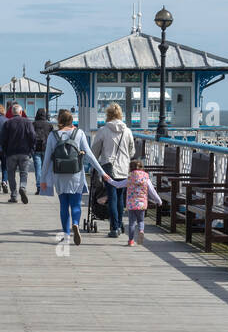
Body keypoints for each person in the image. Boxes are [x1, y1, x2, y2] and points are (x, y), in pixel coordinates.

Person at [38, 109, 110, 246]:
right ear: (72, 121)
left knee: (64, 205)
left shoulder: (53, 136)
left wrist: (42, 180)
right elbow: (89, 155)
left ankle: (66, 234)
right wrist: (102, 172)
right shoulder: (79, 133)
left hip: (59, 175)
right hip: (76, 174)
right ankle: (75, 224)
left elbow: (47, 159)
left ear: (59, 120)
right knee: (76, 204)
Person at [90, 103, 134, 238]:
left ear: (108, 115)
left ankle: (115, 227)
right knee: (120, 198)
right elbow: (132, 152)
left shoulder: (103, 130)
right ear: (120, 115)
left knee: (112, 197)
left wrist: (95, 164)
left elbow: (94, 151)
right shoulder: (127, 131)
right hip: (124, 168)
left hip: (109, 168)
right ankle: (120, 224)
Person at [122, 159, 162, 247]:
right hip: (141, 204)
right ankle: (141, 231)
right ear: (142, 168)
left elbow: (118, 184)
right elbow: (152, 192)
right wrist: (158, 200)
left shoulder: (129, 178)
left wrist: (109, 180)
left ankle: (131, 241)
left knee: (131, 223)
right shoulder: (146, 178)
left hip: (131, 204)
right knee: (141, 221)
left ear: (130, 168)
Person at [2, 102, 34, 204]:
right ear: (21, 112)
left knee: (11, 174)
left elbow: (3, 139)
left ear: (12, 112)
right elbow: (33, 136)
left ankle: (14, 195)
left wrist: (5, 150)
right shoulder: (27, 122)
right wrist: (31, 149)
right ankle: (23, 187)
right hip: (24, 152)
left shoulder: (8, 123)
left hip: (11, 152)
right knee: (24, 173)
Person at [32, 108, 53, 183]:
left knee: (38, 168)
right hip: (46, 148)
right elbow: (52, 137)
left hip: (36, 148)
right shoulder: (49, 125)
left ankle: (39, 186)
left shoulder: (33, 124)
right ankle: (45, 185)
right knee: (46, 168)